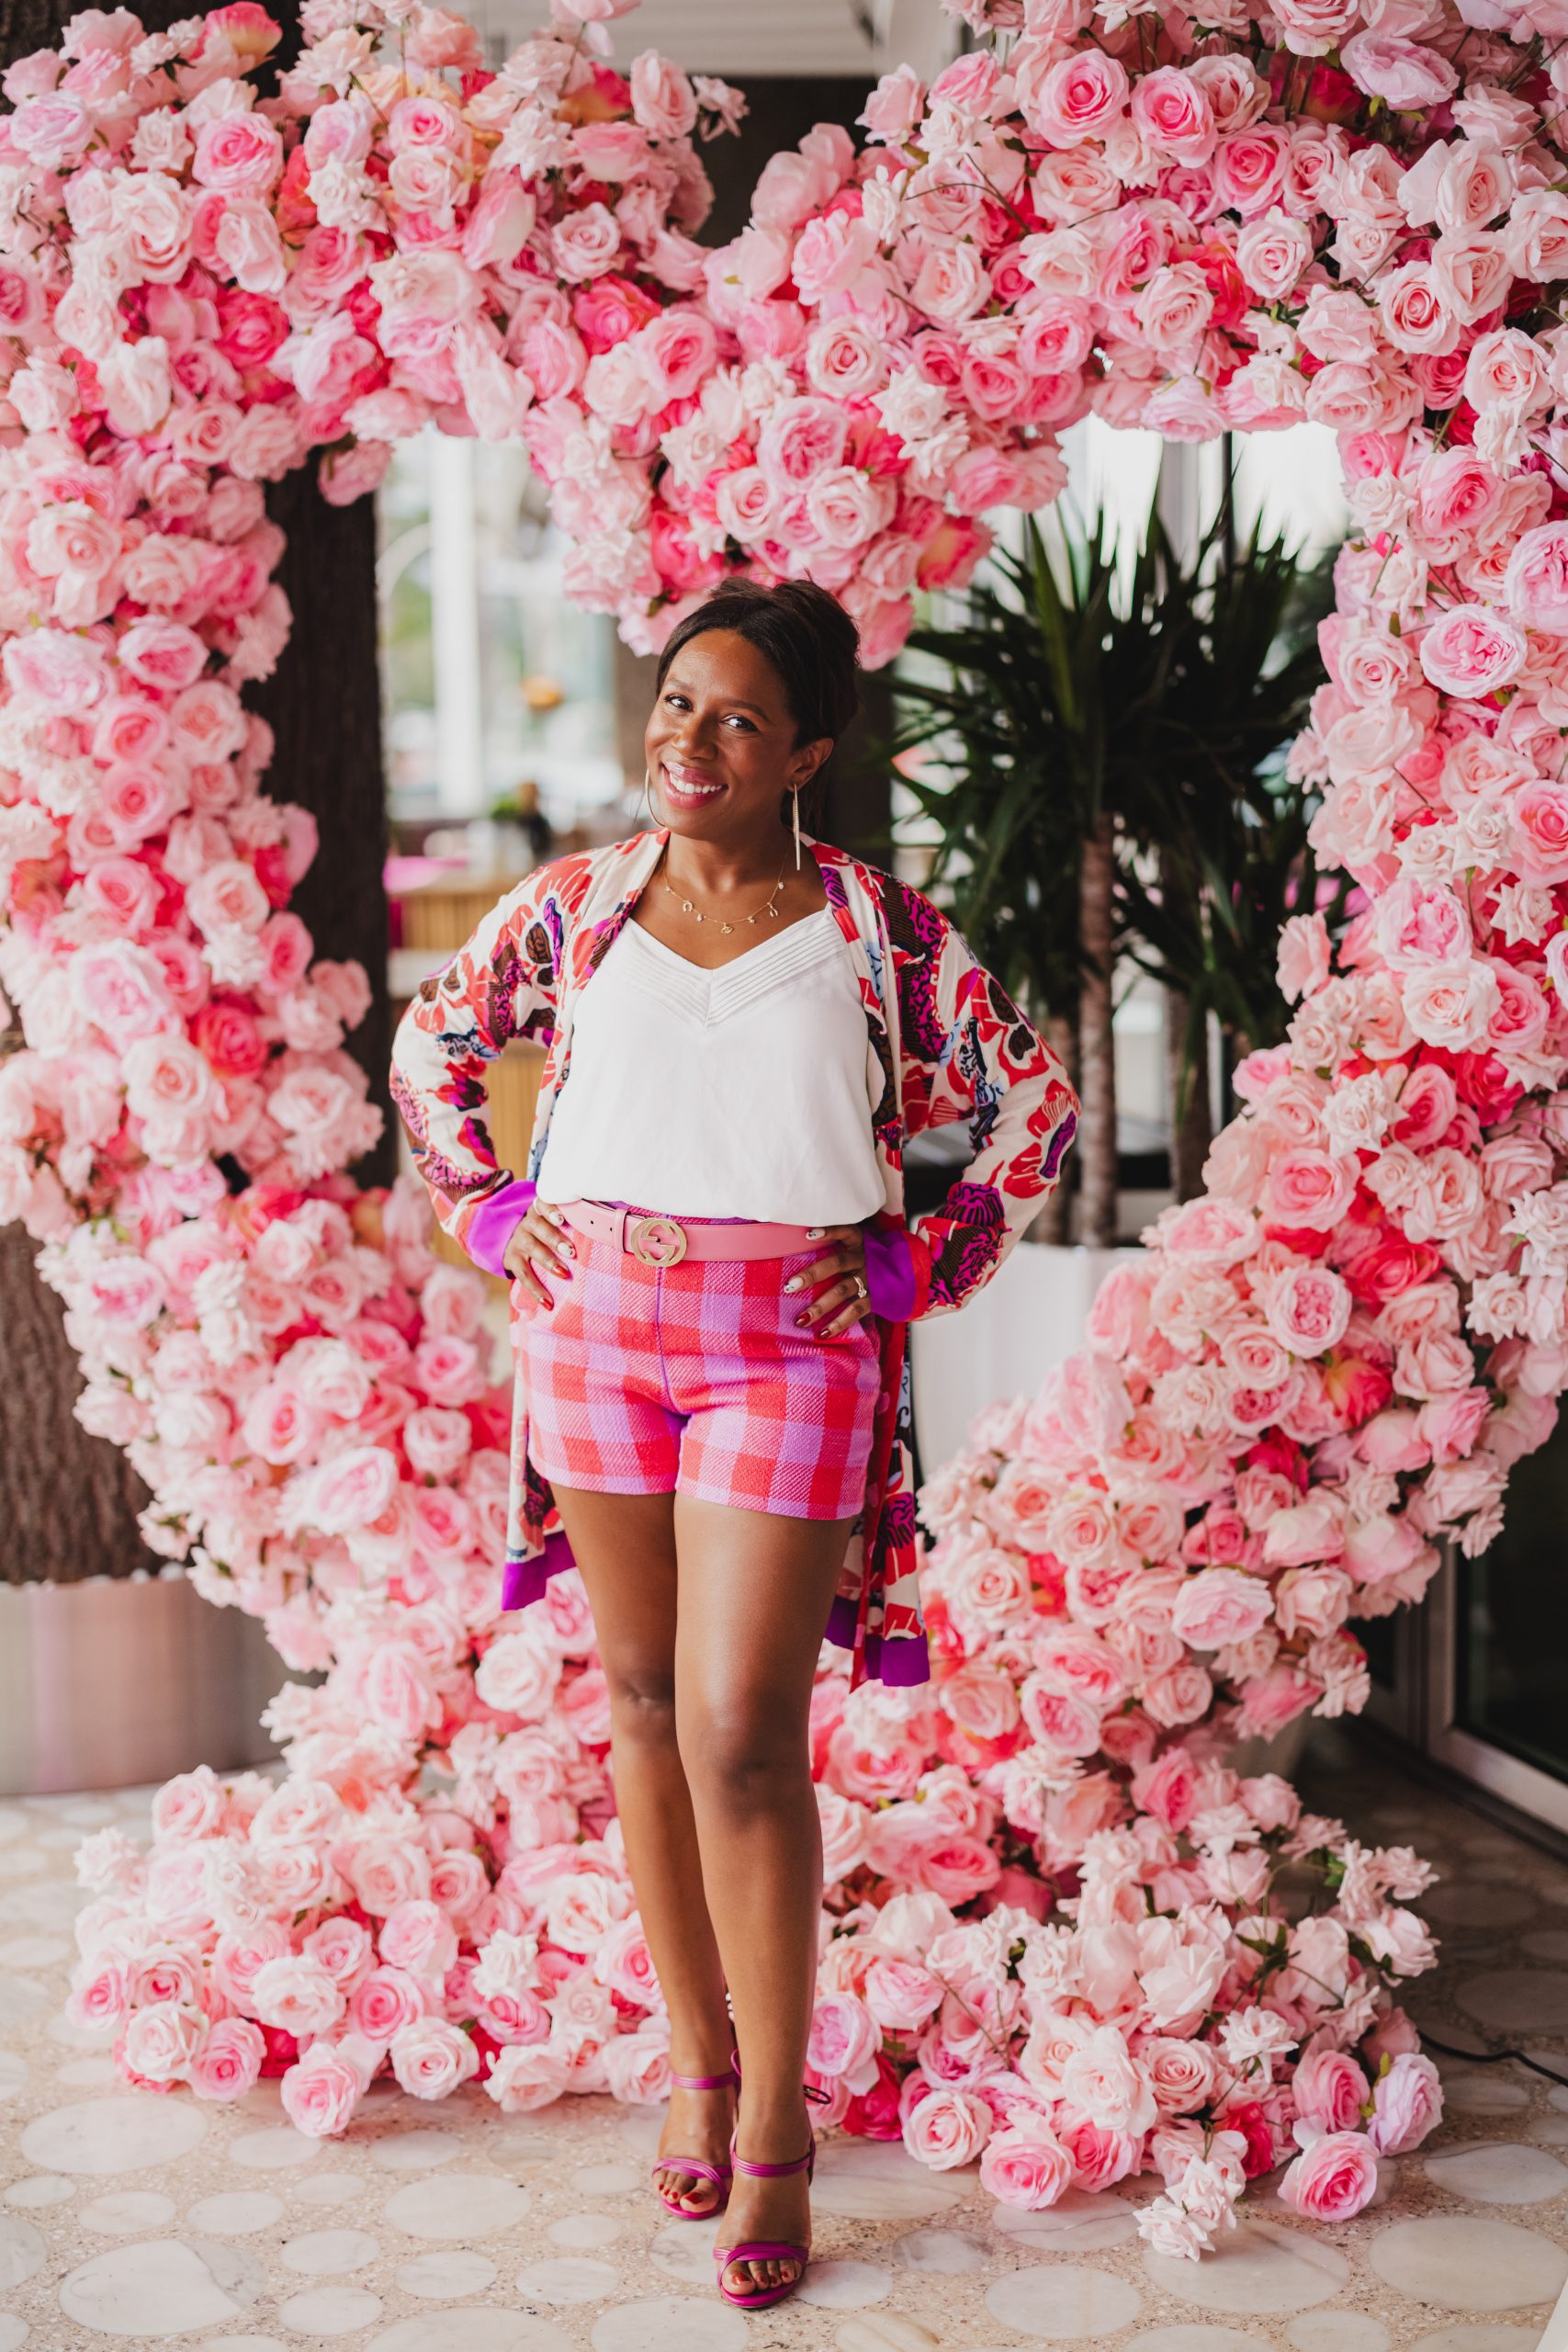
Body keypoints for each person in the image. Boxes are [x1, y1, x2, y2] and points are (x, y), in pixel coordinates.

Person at [390, 578, 1077, 2312]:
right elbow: (433, 1045)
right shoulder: (571, 912)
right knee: (635, 1701)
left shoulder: (875, 934)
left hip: (793, 1351)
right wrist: (492, 1215)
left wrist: (924, 1257)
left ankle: (776, 2122)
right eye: (678, 704)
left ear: (810, 754)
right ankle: (696, 2058)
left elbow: (1033, 1108)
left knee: (742, 1732)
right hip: (598, 1335)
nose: (687, 742)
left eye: (737, 720)